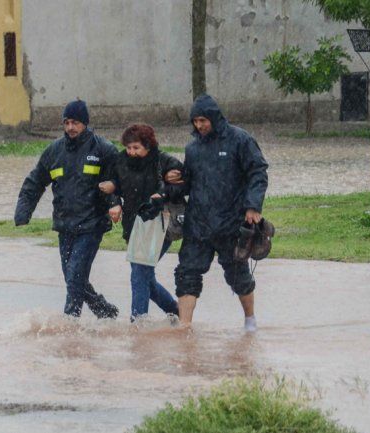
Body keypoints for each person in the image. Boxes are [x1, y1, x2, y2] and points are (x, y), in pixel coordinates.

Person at [14, 100, 120, 319]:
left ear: (85, 123)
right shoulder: (54, 152)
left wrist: (115, 204)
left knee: (74, 276)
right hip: (65, 226)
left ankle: (70, 326)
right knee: (73, 278)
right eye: (67, 122)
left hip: (92, 225)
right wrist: (23, 213)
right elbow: (34, 182)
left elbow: (118, 180)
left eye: (76, 123)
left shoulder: (103, 149)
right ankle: (105, 312)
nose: (71, 127)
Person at [174, 94, 268, 332]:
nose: (199, 126)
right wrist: (173, 181)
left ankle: (250, 321)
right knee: (187, 274)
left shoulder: (240, 140)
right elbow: (189, 183)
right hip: (197, 225)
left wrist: (253, 206)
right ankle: (184, 328)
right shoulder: (192, 148)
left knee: (238, 276)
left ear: (215, 117)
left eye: (203, 120)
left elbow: (258, 172)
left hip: (231, 224)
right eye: (195, 121)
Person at [98, 123, 182, 322]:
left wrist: (163, 191)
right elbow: (113, 186)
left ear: (148, 145)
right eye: (128, 147)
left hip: (160, 225)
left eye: (136, 148)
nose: (131, 152)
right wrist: (115, 203)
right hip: (132, 226)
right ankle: (176, 312)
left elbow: (185, 184)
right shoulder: (120, 161)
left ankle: (138, 323)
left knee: (140, 274)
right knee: (145, 278)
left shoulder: (165, 162)